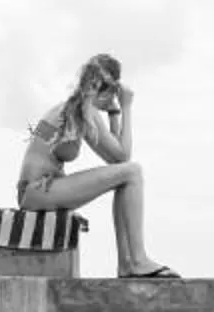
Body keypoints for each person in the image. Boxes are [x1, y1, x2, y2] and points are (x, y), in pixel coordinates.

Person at [17, 52, 177, 278]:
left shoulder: (70, 107)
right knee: (134, 172)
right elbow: (122, 158)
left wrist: (113, 114)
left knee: (126, 177)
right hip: (37, 190)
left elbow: (115, 161)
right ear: (108, 90)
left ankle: (127, 264)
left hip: (33, 189)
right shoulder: (85, 109)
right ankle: (137, 260)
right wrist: (126, 108)